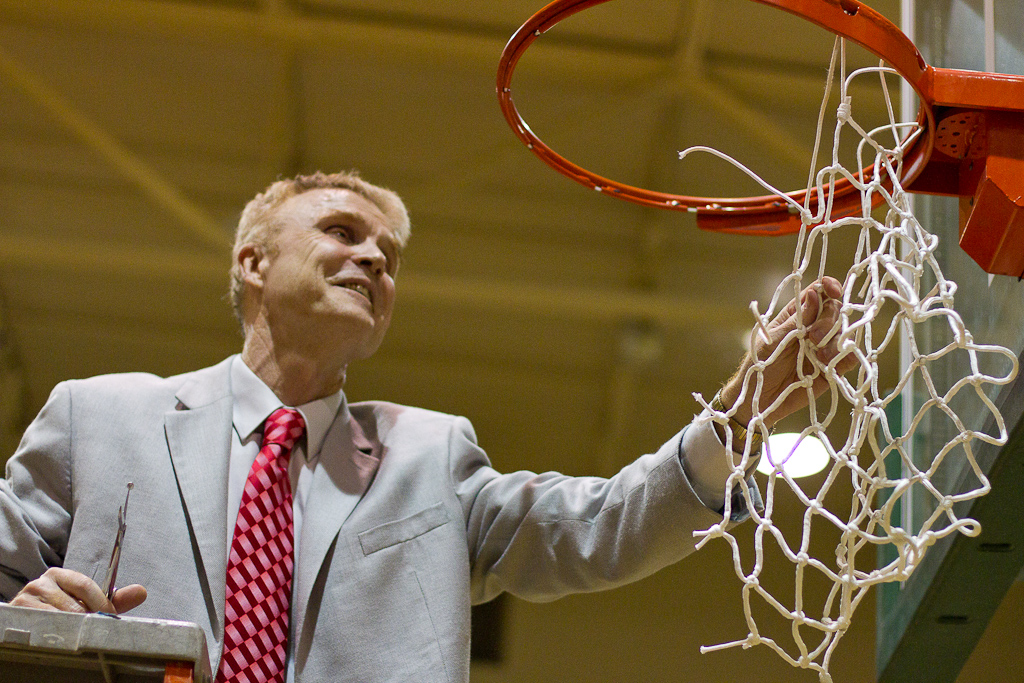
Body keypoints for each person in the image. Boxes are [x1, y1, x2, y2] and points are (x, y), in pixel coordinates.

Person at [0, 171, 849, 683]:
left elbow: (598, 527)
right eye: (341, 232)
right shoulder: (97, 415)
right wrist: (28, 615)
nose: (373, 259)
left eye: (389, 258)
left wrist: (735, 419)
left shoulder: (432, 456)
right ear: (252, 262)